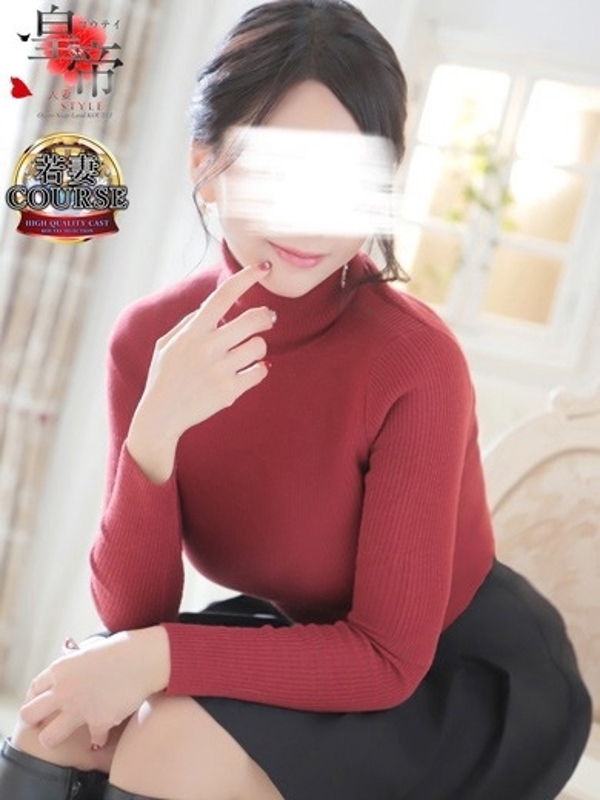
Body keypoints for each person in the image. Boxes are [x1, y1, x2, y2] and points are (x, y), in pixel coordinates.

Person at [0, 1, 592, 798]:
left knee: (166, 745)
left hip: (458, 680)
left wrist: (154, 659)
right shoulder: (150, 344)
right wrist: (155, 434)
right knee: (55, 720)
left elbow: (386, 657)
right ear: (206, 165)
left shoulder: (416, 362)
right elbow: (137, 614)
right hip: (307, 640)